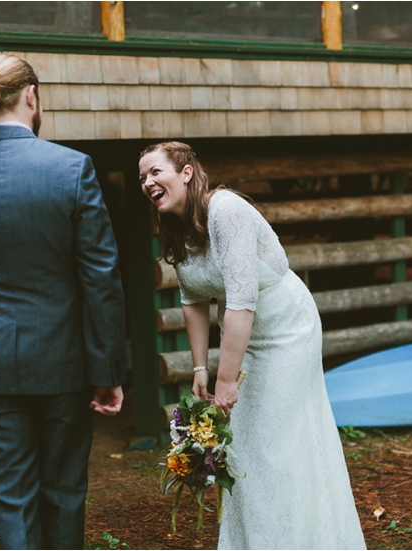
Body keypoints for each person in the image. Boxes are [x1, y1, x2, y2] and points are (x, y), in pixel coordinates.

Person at [0, 54, 127, 550]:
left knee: (8, 492)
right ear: (32, 96)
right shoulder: (71, 168)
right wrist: (106, 371)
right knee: (63, 487)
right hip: (62, 357)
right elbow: (100, 277)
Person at [139, 141, 366, 549]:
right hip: (243, 339)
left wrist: (226, 381)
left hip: (285, 331)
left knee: (280, 442)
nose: (147, 181)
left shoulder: (225, 209)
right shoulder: (175, 227)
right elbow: (192, 301)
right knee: (246, 445)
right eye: (142, 177)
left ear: (186, 172)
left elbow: (241, 301)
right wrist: (200, 371)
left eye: (155, 172)